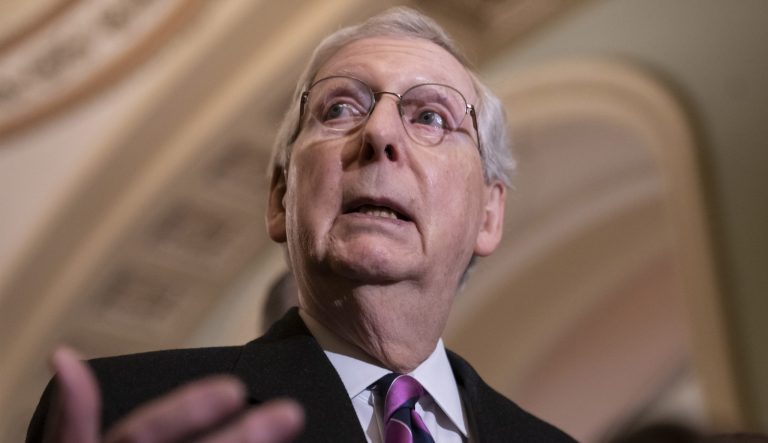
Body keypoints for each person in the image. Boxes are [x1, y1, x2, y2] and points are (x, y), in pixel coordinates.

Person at [27, 7, 575, 443]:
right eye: (339, 109)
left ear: (488, 214)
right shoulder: (128, 408)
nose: (380, 133)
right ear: (280, 198)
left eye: (430, 116)